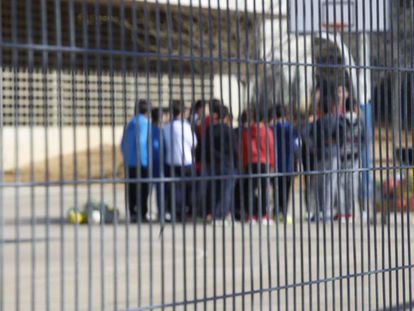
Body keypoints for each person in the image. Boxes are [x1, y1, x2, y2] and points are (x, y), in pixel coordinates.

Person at [303, 83, 341, 223]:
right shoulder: (336, 120)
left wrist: (313, 146)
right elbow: (342, 135)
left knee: (319, 183)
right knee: (330, 184)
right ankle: (326, 212)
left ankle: (318, 212)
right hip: (333, 154)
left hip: (319, 154)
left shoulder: (317, 122)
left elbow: (305, 134)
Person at [163, 100, 198, 221]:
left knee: (174, 188)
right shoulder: (186, 126)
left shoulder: (166, 127)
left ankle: (176, 211)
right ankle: (187, 211)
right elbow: (194, 143)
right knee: (189, 187)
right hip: (186, 160)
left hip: (171, 161)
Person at [335, 85, 365, 222]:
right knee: (352, 185)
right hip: (355, 156)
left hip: (341, 155)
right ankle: (350, 212)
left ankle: (342, 213)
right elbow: (364, 138)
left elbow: (337, 137)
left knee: (341, 184)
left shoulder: (340, 121)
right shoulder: (360, 121)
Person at [242, 108, 275, 225]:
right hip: (264, 162)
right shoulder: (267, 131)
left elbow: (244, 148)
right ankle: (264, 215)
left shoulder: (247, 132)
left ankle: (251, 215)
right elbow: (271, 148)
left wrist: (244, 163)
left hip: (251, 162)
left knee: (250, 190)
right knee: (264, 190)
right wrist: (272, 163)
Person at [205, 104, 237, 225]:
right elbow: (234, 149)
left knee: (215, 189)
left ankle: (214, 213)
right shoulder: (228, 130)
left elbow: (207, 147)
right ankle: (221, 215)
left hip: (213, 163)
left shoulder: (210, 129)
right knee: (226, 190)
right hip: (227, 163)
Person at [120, 99, 150, 223]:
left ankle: (132, 212)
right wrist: (145, 160)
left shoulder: (129, 124)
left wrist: (126, 158)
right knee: (143, 188)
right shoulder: (145, 123)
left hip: (129, 162)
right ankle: (142, 213)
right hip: (141, 162)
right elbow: (142, 142)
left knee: (131, 188)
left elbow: (122, 144)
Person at [270, 104, 300, 224]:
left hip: (275, 164)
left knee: (276, 189)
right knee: (286, 190)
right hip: (288, 164)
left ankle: (276, 212)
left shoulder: (271, 129)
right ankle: (283, 212)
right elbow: (296, 146)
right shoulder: (291, 128)